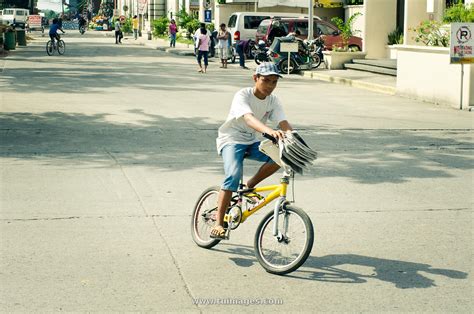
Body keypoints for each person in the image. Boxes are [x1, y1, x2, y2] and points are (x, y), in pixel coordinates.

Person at [211, 62, 293, 239]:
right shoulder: (243, 95)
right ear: (255, 78)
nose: (270, 86)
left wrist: (294, 139)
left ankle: (248, 186)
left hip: (252, 141)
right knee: (232, 176)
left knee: (279, 158)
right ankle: (218, 224)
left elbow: (283, 123)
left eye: (274, 82)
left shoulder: (273, 100)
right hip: (231, 139)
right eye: (266, 80)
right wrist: (269, 131)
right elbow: (248, 118)